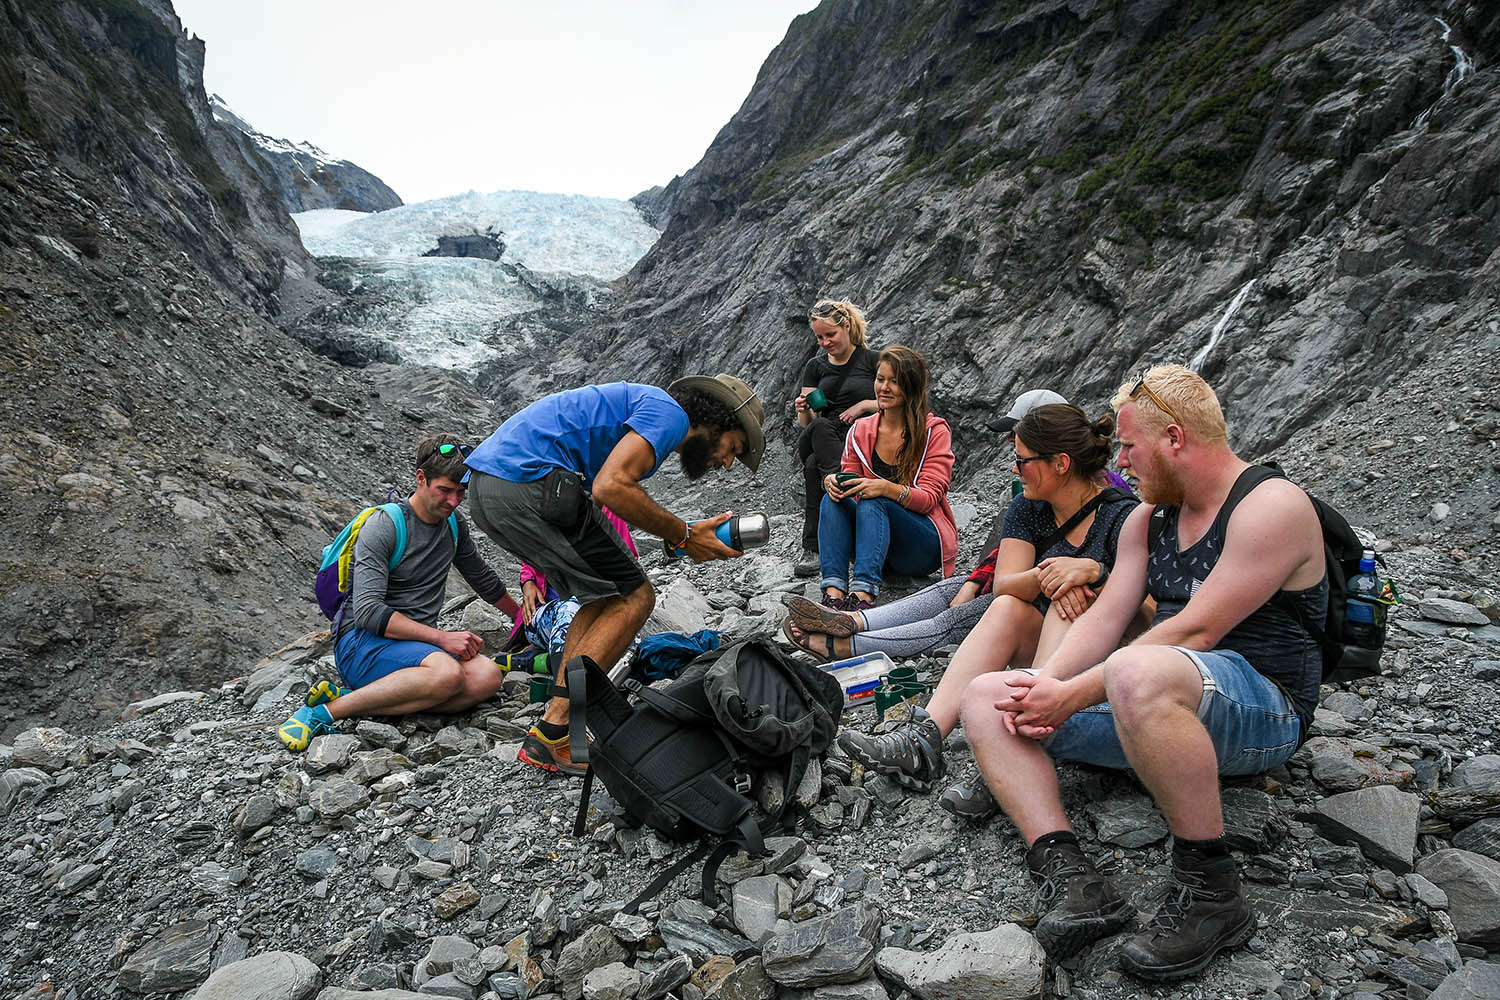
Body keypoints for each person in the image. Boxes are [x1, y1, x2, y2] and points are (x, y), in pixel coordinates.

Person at [961, 364, 1327, 979]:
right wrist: (1043, 687)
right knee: (987, 695)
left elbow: (1194, 631)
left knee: (1136, 669)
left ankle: (1212, 893)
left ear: (1175, 438)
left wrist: (1073, 696)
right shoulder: (1147, 518)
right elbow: (1105, 621)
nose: (1119, 462)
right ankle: (1072, 877)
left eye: (1128, 446)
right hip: (1154, 693)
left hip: (1263, 704)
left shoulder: (1272, 506)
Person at [835, 403, 1139, 808]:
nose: (1015, 470)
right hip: (1042, 649)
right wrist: (1055, 574)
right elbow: (1007, 585)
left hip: (1100, 664)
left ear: (1061, 463)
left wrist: (1095, 575)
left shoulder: (1123, 515)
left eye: (1022, 460)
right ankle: (924, 739)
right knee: (1009, 608)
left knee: (1072, 605)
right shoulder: (1028, 508)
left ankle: (1013, 753)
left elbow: (1149, 613)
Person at [465, 376, 766, 775]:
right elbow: (612, 487)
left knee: (604, 597)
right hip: (529, 486)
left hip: (491, 489)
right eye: (734, 447)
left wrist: (678, 536)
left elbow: (608, 492)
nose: (727, 462)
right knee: (637, 598)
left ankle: (561, 729)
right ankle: (555, 727)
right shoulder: (670, 413)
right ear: (715, 419)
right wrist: (684, 534)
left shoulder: (640, 406)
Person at [781, 390, 1113, 668]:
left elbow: (1112, 577)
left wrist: (1086, 575)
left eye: (1019, 441)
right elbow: (1012, 552)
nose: (1014, 455)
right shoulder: (1034, 497)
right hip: (1025, 587)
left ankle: (847, 644)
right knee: (954, 589)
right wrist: (976, 580)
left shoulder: (1108, 506)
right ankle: (853, 620)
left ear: (1057, 455)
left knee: (970, 612)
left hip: (1038, 610)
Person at [278, 434, 523, 751]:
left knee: (487, 677)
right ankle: (322, 713)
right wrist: (441, 638)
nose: (453, 501)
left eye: (461, 492)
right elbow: (367, 613)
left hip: (416, 646)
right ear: (421, 478)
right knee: (447, 675)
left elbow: (482, 578)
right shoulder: (385, 525)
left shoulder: (453, 524)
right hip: (363, 643)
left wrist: (523, 619)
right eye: (445, 491)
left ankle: (360, 699)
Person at [813, 345, 955, 612]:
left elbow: (929, 499)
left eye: (895, 381)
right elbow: (853, 484)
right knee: (831, 501)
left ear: (911, 386)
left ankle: (863, 596)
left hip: (921, 545)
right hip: (875, 542)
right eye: (880, 379)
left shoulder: (934, 432)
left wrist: (885, 488)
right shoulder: (861, 430)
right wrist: (834, 483)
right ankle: (833, 596)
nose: (884, 388)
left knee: (874, 499)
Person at [793, 299, 880, 577]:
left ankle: (815, 548)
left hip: (861, 438)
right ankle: (843, 489)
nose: (825, 342)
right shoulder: (814, 367)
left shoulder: (873, 360)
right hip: (822, 433)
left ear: (847, 327)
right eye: (819, 337)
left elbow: (898, 403)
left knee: (811, 467)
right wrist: (803, 410)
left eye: (830, 335)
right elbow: (807, 424)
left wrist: (865, 405)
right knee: (818, 431)